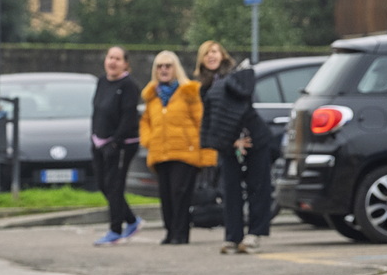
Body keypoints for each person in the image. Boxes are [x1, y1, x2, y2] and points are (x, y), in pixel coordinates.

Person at [197, 39, 273, 254]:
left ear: (223, 55)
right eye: (206, 53)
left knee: (258, 187)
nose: (211, 56)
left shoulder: (236, 77)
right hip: (229, 144)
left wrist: (239, 137)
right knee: (230, 190)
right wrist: (231, 141)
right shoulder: (205, 88)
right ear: (201, 60)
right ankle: (232, 237)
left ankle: (255, 234)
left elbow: (243, 104)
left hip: (254, 138)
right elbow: (211, 121)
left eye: (215, 51)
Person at [139, 51, 212, 245]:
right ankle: (170, 231)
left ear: (175, 69)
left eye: (168, 66)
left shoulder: (188, 92)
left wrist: (205, 152)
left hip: (185, 151)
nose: (164, 70)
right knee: (165, 194)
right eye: (160, 66)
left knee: (179, 192)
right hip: (160, 152)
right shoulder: (152, 95)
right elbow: (145, 121)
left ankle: (181, 233)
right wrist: (149, 140)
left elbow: (201, 121)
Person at [91, 46, 143, 245]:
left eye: (118, 59)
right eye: (110, 57)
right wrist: (94, 136)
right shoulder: (102, 81)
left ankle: (115, 230)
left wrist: (115, 142)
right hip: (99, 141)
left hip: (121, 144)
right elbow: (97, 110)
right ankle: (132, 220)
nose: (113, 62)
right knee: (103, 184)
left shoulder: (129, 86)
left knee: (115, 186)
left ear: (125, 64)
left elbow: (128, 118)